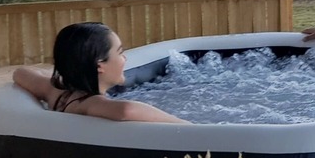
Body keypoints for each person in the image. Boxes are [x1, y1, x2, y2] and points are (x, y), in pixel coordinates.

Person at [12, 22, 187, 123]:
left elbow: (20, 73)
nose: (124, 58)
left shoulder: (56, 92)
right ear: (99, 66)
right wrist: (186, 125)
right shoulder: (90, 104)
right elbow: (126, 110)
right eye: (119, 52)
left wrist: (68, 69)